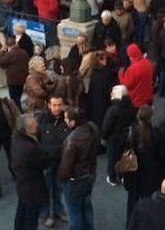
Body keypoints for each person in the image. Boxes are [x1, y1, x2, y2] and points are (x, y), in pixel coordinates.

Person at [59, 107, 100, 230]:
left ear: (73, 121)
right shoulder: (93, 128)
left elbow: (66, 167)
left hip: (75, 180)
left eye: (66, 118)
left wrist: (62, 178)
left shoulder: (72, 140)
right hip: (90, 174)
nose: (65, 120)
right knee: (86, 206)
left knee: (74, 212)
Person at [122, 105, 164, 223]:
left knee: (132, 202)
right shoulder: (156, 134)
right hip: (150, 174)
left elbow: (122, 151)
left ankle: (130, 224)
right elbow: (161, 156)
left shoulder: (130, 132)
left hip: (133, 173)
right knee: (148, 203)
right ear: (151, 118)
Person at [11, 114, 53, 230]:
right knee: (31, 218)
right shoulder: (30, 147)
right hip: (33, 187)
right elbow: (45, 163)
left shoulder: (16, 139)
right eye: (34, 124)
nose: (37, 125)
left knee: (21, 211)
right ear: (26, 129)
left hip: (22, 184)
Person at [37, 95, 70, 227]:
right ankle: (45, 215)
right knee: (46, 189)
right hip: (47, 162)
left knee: (58, 188)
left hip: (62, 161)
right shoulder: (42, 119)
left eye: (59, 105)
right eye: (54, 105)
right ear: (49, 105)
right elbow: (37, 140)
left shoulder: (67, 118)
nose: (57, 108)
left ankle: (58, 211)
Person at [102, 85, 136, 186]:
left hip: (113, 138)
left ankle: (112, 178)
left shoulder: (113, 110)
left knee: (112, 158)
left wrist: (104, 136)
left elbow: (106, 126)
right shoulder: (131, 106)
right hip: (127, 136)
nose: (110, 94)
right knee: (124, 156)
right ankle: (123, 176)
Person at [0, 37, 29, 112]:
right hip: (22, 78)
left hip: (13, 79)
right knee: (19, 95)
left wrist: (2, 52)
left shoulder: (10, 54)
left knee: (14, 98)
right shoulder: (24, 52)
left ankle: (17, 111)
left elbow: (1, 61)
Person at [118, 44, 154, 108]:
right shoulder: (149, 63)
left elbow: (127, 84)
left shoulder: (132, 68)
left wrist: (120, 74)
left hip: (137, 99)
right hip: (148, 97)